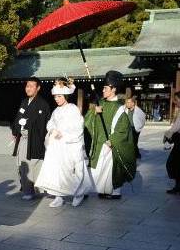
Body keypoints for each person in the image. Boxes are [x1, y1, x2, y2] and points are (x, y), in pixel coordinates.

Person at [35, 78, 94, 207]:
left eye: (59, 96)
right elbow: (50, 123)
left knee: (76, 170)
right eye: (55, 96)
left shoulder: (72, 108)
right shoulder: (56, 111)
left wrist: (64, 134)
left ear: (65, 96)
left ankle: (79, 194)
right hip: (58, 145)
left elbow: (78, 126)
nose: (56, 99)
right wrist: (52, 130)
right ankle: (58, 195)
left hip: (71, 144)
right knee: (57, 169)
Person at [84, 70, 136, 199]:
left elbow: (123, 129)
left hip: (109, 143)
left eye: (105, 88)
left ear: (113, 89)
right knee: (98, 169)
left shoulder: (119, 108)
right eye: (103, 88)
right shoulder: (100, 103)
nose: (103, 90)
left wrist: (112, 140)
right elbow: (87, 121)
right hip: (98, 142)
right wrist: (94, 112)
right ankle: (101, 190)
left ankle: (114, 192)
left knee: (110, 169)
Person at [11, 77, 51, 200]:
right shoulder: (24, 102)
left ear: (38, 88)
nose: (28, 88)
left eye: (31, 86)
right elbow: (18, 118)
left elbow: (42, 123)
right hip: (22, 138)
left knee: (34, 164)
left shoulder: (42, 104)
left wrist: (27, 124)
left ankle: (35, 189)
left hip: (35, 139)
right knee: (23, 165)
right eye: (27, 86)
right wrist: (16, 129)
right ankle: (27, 189)